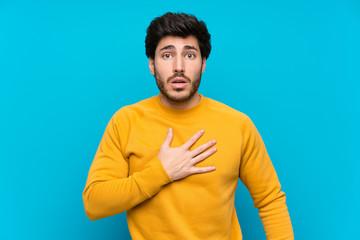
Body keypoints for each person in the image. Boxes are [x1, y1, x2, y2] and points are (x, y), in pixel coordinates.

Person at [83, 12, 294, 240]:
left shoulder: (238, 124)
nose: (179, 67)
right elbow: (94, 203)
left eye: (190, 55)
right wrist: (161, 173)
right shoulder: (126, 121)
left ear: (203, 64)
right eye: (167, 55)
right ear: (152, 65)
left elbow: (271, 200)